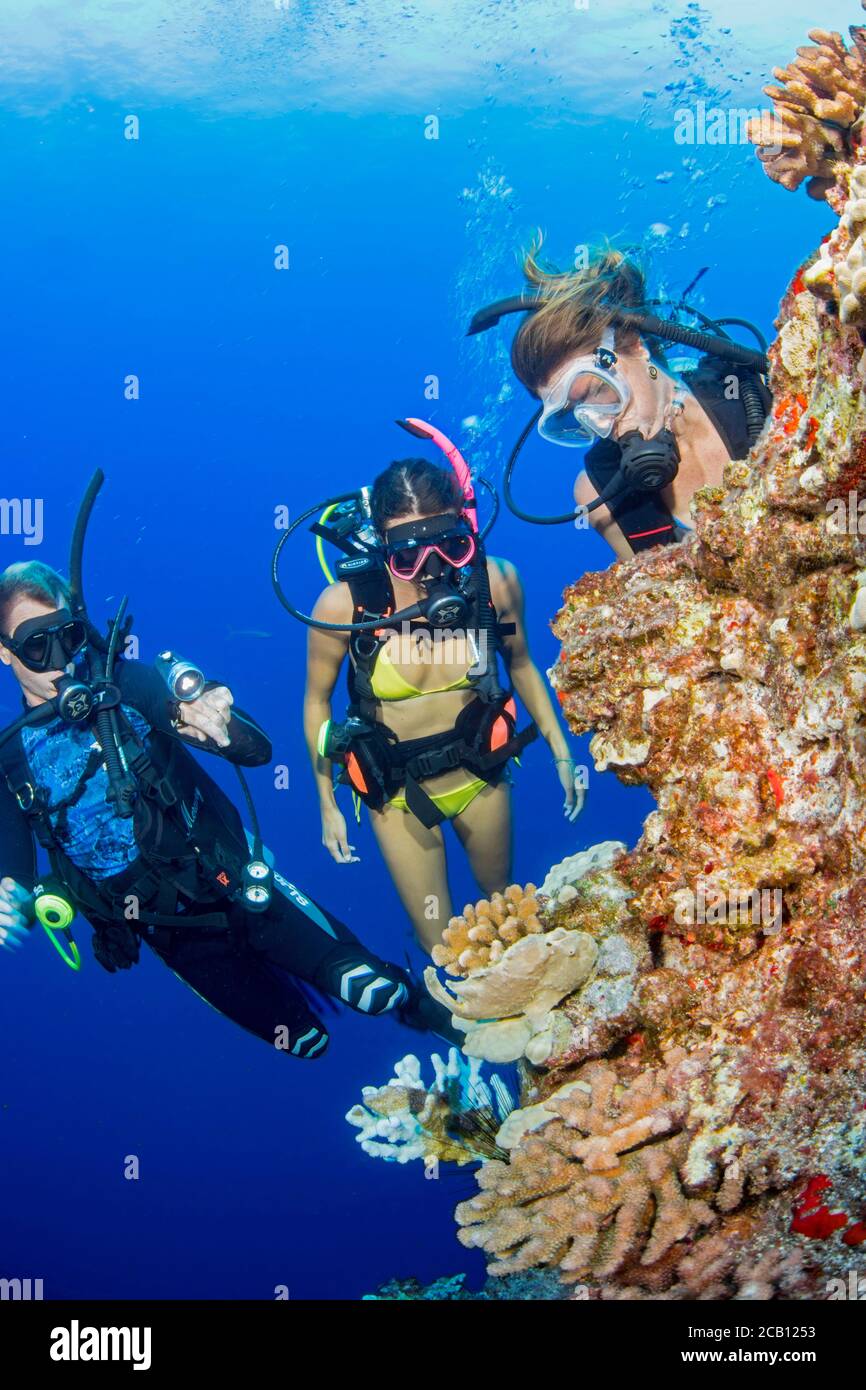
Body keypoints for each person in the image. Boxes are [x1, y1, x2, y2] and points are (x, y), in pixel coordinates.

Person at [0, 559, 455, 1058]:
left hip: (236, 879)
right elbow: (15, 873)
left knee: (369, 987)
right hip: (172, 934)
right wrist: (14, 901)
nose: (61, 661)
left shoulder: (125, 685)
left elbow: (257, 752)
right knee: (303, 1042)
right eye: (37, 646)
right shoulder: (9, 760)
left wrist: (215, 719)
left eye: (68, 635)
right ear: (5, 652)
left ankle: (435, 1010)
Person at [303, 437, 583, 955]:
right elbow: (316, 702)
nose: (432, 567)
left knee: (502, 913)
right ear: (380, 543)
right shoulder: (346, 607)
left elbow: (520, 664)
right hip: (397, 795)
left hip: (480, 774)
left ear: (466, 527)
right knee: (441, 942)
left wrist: (561, 749)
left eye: (451, 545)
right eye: (407, 555)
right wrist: (326, 803)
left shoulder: (494, 582)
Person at [472, 245, 772, 560]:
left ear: (634, 344)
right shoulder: (596, 494)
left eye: (595, 391)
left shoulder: (753, 390)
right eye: (575, 416)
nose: (601, 424)